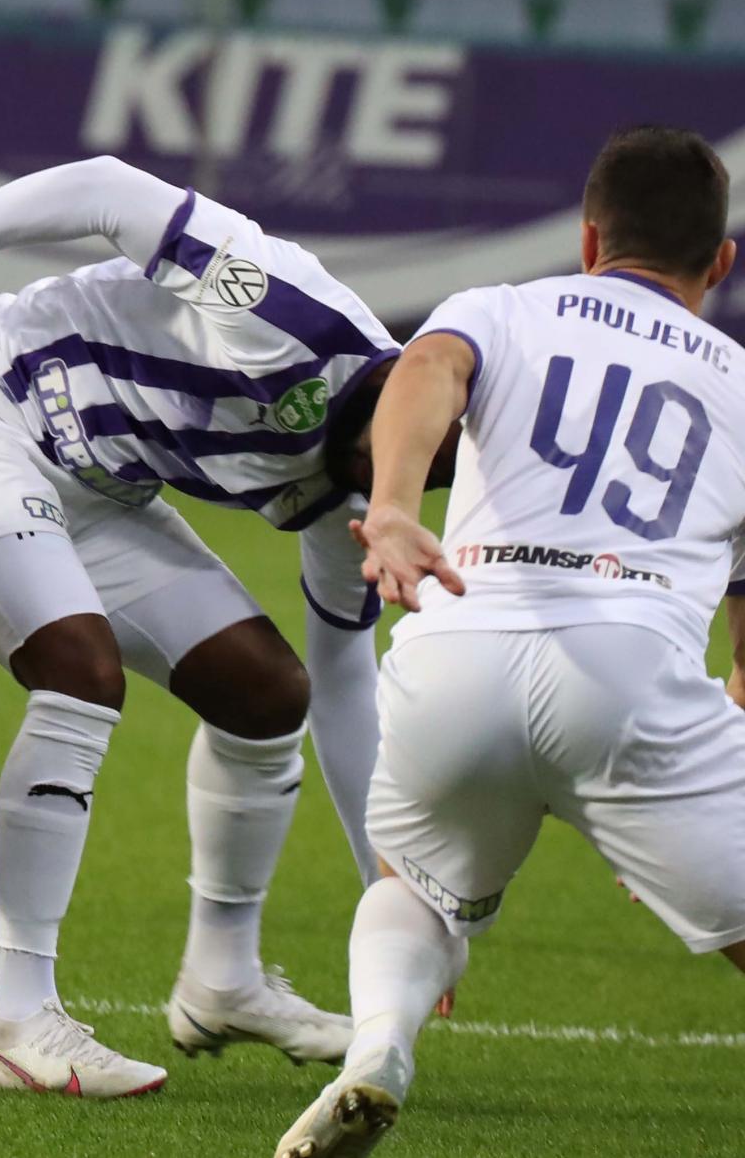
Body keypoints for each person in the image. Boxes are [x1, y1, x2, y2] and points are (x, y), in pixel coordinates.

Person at [0, 154, 460, 1096]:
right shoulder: (286, 311)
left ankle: (223, 976)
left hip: (94, 490)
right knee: (79, 665)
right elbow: (106, 189)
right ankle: (20, 1019)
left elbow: (343, 685)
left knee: (268, 694)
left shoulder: (369, 503)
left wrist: (395, 887)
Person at [275, 126, 745, 1158]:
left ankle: (379, 1050)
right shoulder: (738, 381)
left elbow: (431, 367)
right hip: (628, 667)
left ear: (588, 239)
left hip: (458, 645)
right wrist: (691, 791)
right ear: (720, 262)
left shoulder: (501, 307)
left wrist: (395, 505)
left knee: (414, 885)